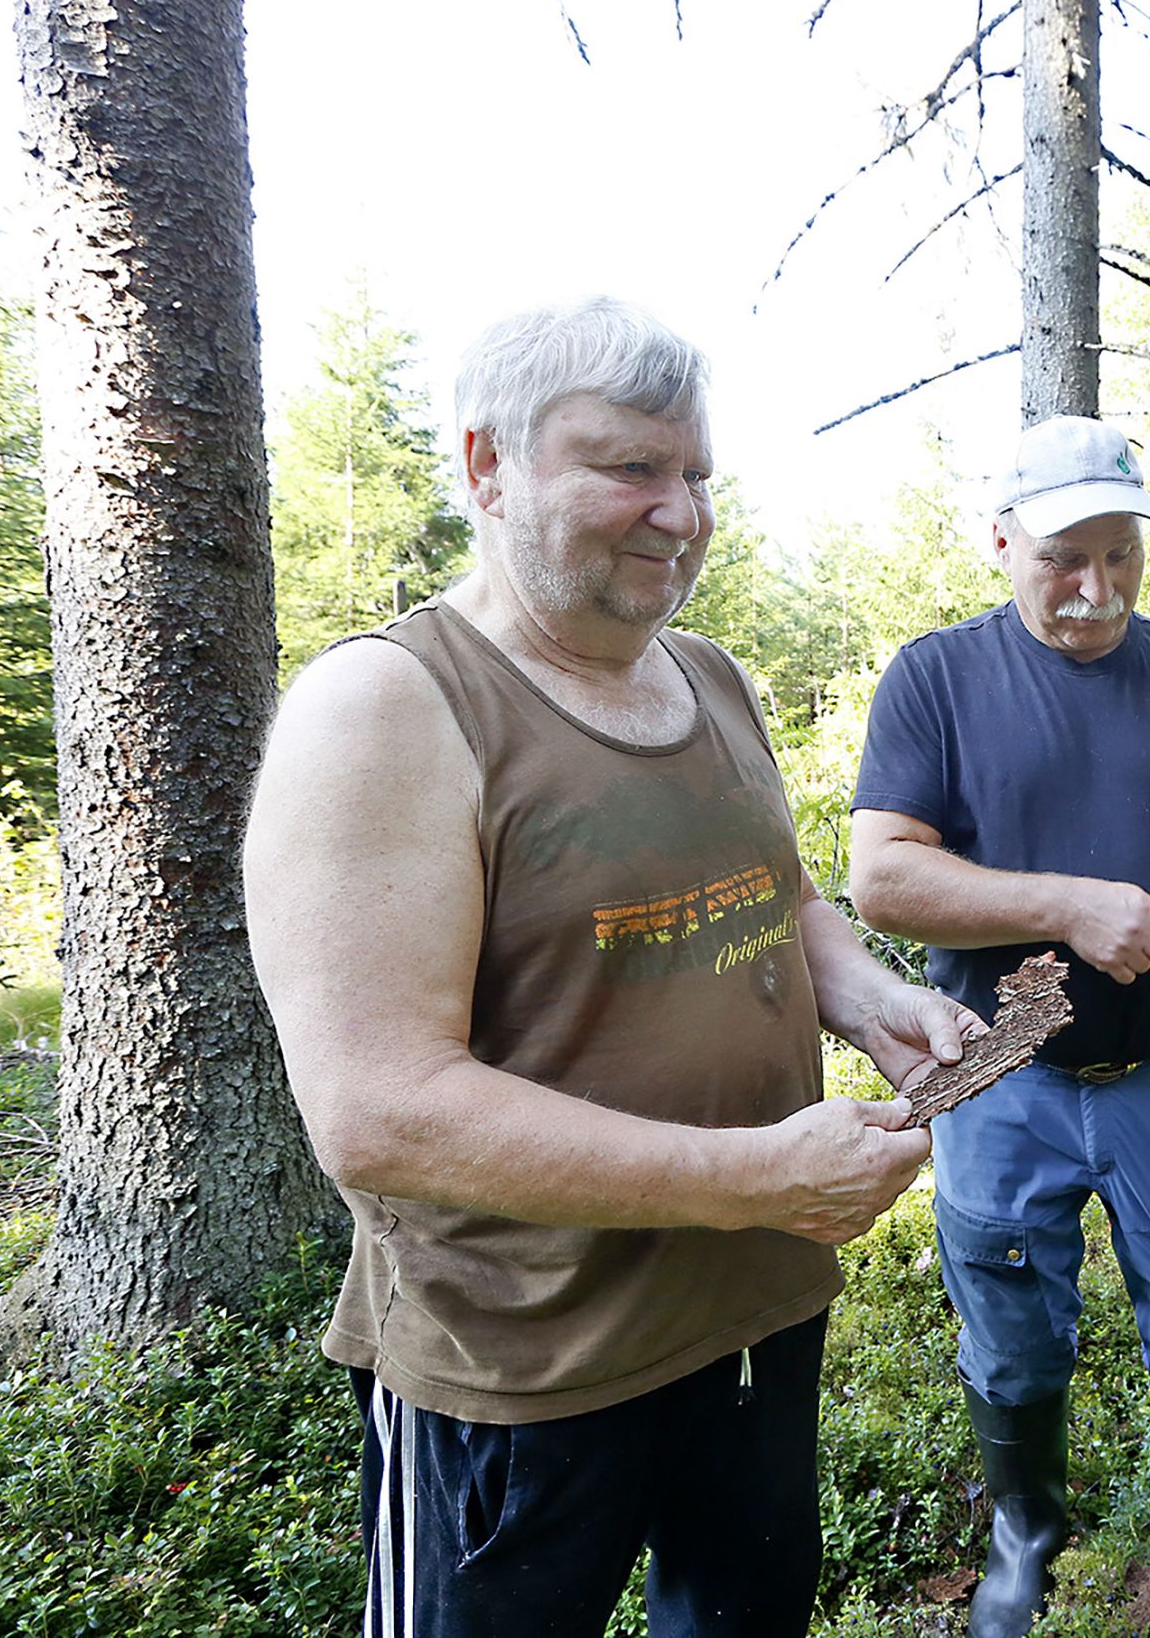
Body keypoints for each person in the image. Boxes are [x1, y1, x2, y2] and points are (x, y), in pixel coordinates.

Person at [243, 298, 980, 1638]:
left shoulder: (705, 675)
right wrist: (763, 1174)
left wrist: (874, 1000)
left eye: (695, 472)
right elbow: (378, 1108)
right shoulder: (389, 708)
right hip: (526, 1363)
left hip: (751, 1317)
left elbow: (784, 897)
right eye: (629, 466)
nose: (680, 509)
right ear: (487, 466)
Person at [847, 415, 1150, 1636]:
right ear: (1002, 540)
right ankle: (1025, 1537)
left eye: (1120, 555)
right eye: (1063, 558)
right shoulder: (937, 678)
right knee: (1005, 1303)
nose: (1095, 590)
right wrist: (1065, 905)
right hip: (1000, 1072)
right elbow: (882, 879)